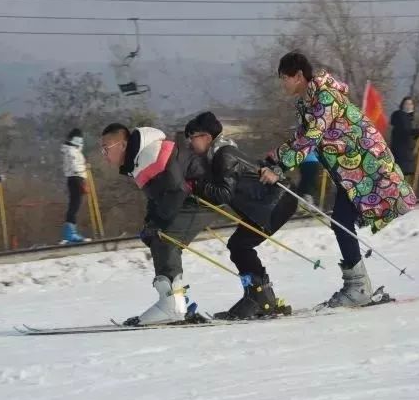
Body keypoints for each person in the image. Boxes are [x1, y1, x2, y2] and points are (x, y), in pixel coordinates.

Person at [259, 51, 417, 308]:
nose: (283, 84)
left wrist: (281, 167)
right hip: (349, 172)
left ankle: (358, 287)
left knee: (342, 220)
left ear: (299, 75)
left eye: (284, 78)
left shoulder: (326, 97)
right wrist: (275, 157)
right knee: (341, 220)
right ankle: (358, 286)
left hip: (366, 165)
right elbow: (302, 137)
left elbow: (312, 137)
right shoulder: (306, 103)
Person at [100, 123, 217, 325]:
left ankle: (172, 304)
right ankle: (177, 301)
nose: (104, 154)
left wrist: (158, 223)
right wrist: (150, 223)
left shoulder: (148, 155)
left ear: (123, 144)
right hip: (190, 198)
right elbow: (158, 197)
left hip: (203, 197)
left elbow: (176, 191)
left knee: (165, 237)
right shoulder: (138, 160)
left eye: (106, 148)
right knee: (158, 235)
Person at [185, 112, 297, 320]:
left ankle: (259, 298)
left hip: (274, 203)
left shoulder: (224, 155)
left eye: (192, 137)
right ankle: (261, 296)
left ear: (206, 137)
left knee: (239, 246)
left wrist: (195, 185)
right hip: (268, 203)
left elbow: (224, 193)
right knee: (239, 245)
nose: (190, 143)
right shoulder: (218, 155)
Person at [60, 128, 91, 244]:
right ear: (76, 139)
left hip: (74, 178)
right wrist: (82, 181)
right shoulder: (72, 151)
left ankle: (70, 232)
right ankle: (69, 234)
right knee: (74, 205)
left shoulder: (71, 150)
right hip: (76, 178)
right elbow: (74, 166)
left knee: (74, 205)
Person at [390, 97, 419, 179]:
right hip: (401, 156)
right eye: (407, 104)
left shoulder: (407, 119)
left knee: (403, 180)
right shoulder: (400, 116)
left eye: (411, 104)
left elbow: (409, 137)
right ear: (402, 105)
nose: (409, 106)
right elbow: (405, 131)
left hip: (406, 156)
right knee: (399, 180)